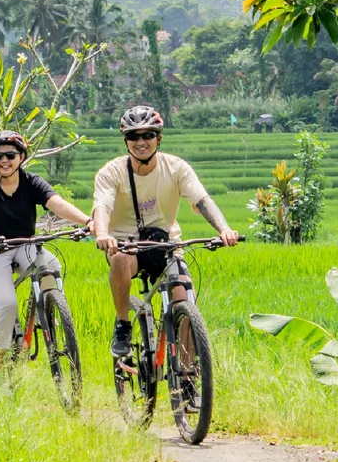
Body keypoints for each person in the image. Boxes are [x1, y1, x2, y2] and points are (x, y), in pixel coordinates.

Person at [91, 106, 241, 357]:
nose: (141, 142)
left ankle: (187, 374)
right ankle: (123, 324)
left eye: (148, 135)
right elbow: (102, 206)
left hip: (167, 245)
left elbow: (203, 200)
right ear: (125, 141)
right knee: (118, 259)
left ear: (158, 139)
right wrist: (103, 234)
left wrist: (224, 229)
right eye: (133, 136)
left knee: (184, 301)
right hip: (127, 246)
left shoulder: (176, 168)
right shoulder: (111, 172)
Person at [0, 131, 91, 359]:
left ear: (21, 157)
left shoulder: (31, 182)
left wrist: (87, 221)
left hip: (25, 245)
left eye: (10, 155)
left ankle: (46, 310)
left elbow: (58, 204)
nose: (4, 160)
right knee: (7, 303)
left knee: (51, 265)